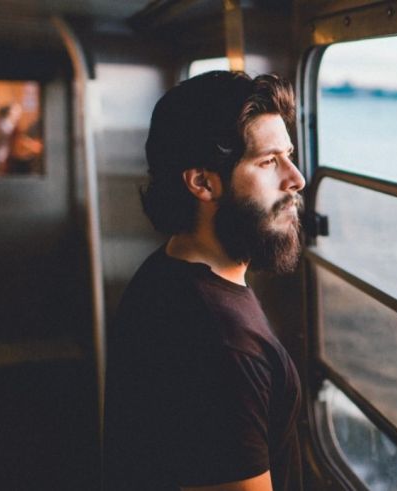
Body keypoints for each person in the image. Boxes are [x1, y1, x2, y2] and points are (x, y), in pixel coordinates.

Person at [103, 71, 306, 491]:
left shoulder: (166, 271)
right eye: (269, 161)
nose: (295, 178)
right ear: (202, 182)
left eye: (289, 155)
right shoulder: (221, 346)